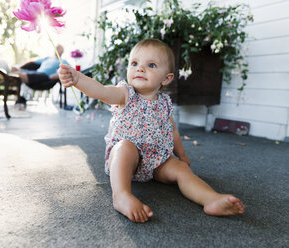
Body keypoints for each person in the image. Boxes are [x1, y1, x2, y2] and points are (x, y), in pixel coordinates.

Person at [58, 38, 245, 223]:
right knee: (124, 147)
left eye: (151, 65)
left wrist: (182, 155)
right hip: (127, 160)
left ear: (167, 78)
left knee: (180, 169)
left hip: (156, 161)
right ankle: (121, 195)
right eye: (134, 63)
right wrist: (78, 79)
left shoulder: (164, 103)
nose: (140, 68)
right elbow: (100, 90)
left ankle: (210, 199)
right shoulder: (125, 94)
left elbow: (172, 131)